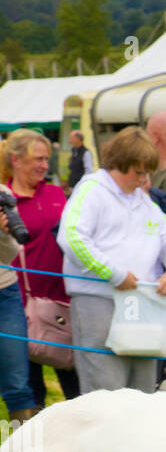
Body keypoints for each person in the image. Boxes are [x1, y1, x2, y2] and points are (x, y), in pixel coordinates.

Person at [58, 125, 166, 394]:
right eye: (138, 172)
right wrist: (113, 274)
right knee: (104, 394)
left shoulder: (144, 203)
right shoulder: (91, 191)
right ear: (120, 163)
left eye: (146, 173)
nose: (143, 180)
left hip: (143, 306)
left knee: (142, 393)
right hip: (98, 302)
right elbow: (71, 237)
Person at [1, 126, 79, 404]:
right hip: (21, 308)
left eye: (47, 160)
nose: (45, 166)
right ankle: (30, 446)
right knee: (27, 392)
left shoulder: (57, 194)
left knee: (76, 391)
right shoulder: (4, 200)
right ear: (16, 160)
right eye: (38, 159)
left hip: (65, 305)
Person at [0, 214, 39, 423]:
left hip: (4, 295)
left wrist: (2, 233)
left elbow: (9, 255)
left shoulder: (2, 195)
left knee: (17, 385)